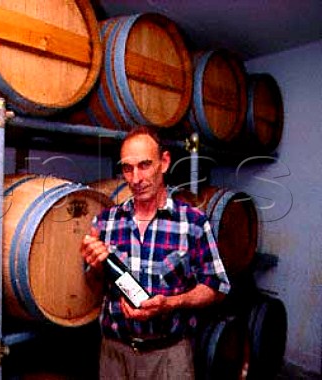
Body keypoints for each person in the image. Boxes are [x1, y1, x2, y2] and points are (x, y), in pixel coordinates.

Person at [80, 125, 231, 379]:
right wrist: (95, 268)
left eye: (145, 165)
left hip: (169, 357)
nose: (135, 179)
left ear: (164, 162)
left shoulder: (193, 222)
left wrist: (170, 304)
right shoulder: (105, 223)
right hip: (115, 355)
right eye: (128, 168)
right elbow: (95, 291)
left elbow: (216, 288)